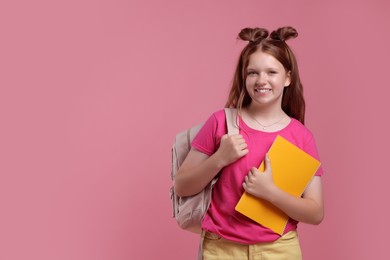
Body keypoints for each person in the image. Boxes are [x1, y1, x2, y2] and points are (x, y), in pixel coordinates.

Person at [174, 26, 324, 260]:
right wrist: (219, 159)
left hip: (279, 250)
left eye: (271, 72)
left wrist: (270, 192)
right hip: (221, 248)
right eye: (252, 72)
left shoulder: (301, 136)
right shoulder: (220, 122)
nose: (261, 80)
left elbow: (315, 212)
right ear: (243, 77)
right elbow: (182, 186)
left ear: (288, 78)